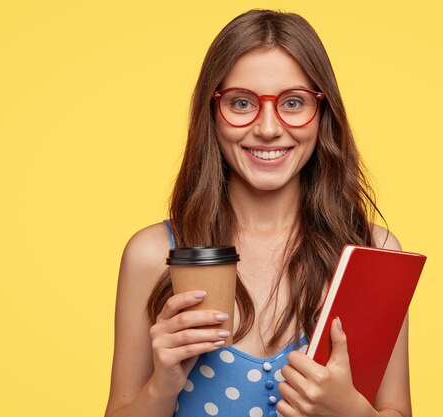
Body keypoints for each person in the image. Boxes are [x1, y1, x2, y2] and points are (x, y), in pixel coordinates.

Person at [104, 9, 411, 417]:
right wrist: (163, 383)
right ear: (212, 113)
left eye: (294, 102)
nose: (268, 127)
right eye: (242, 102)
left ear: (322, 113)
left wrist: (350, 411)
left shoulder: (372, 254)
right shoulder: (152, 254)